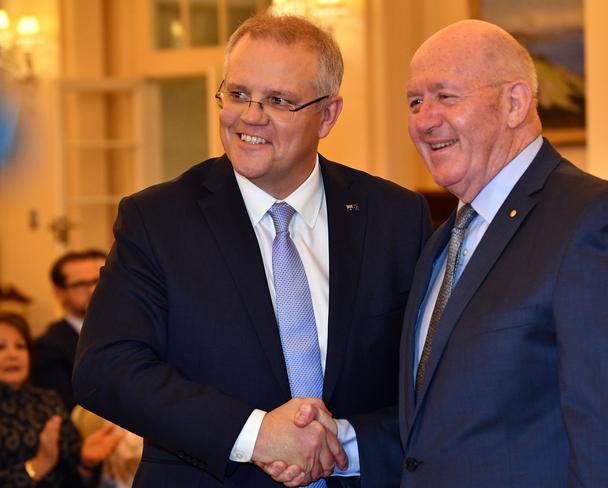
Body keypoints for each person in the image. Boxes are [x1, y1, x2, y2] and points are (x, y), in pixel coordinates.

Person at [73, 13, 432, 488]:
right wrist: (256, 434)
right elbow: (106, 368)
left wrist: (344, 444)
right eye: (238, 94)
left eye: (278, 101)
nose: (249, 116)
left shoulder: (395, 216)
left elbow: (432, 380)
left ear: (327, 115)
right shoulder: (157, 220)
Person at [398, 19, 608, 487]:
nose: (424, 119)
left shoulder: (594, 222)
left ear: (514, 103)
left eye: (445, 96)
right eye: (415, 101)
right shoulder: (440, 243)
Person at [0, 312, 122, 487]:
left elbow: (77, 477)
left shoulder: (47, 400)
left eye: (20, 346)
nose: (13, 354)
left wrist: (86, 462)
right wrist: (37, 466)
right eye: (1, 347)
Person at [31, 249, 106, 411]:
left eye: (99, 281)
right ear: (59, 293)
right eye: (81, 284)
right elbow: (66, 406)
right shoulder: (48, 347)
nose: (93, 290)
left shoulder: (129, 330)